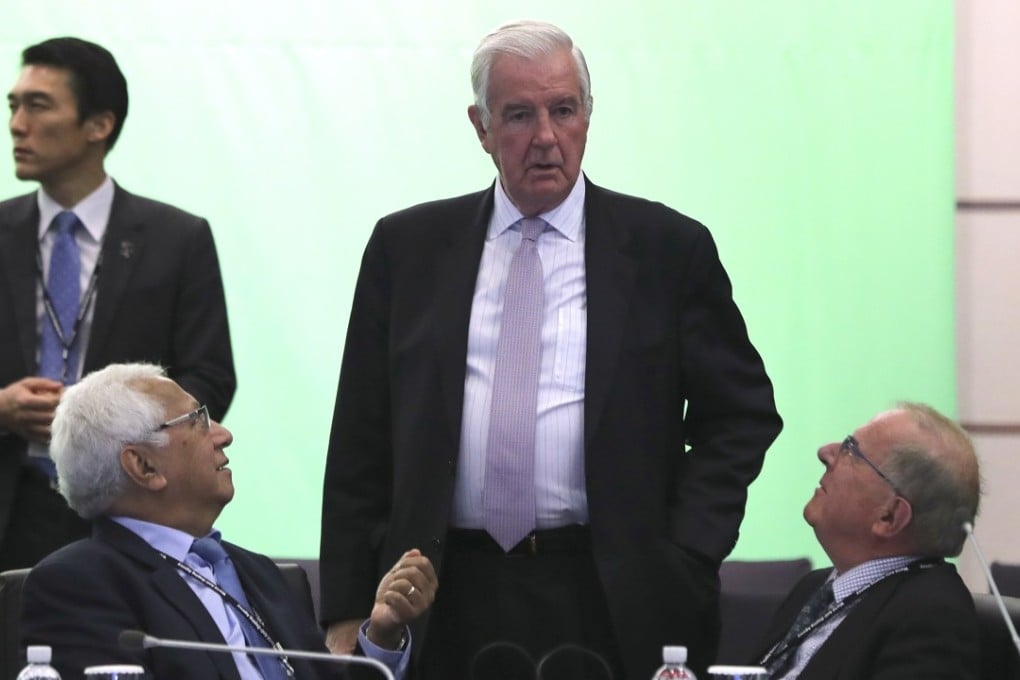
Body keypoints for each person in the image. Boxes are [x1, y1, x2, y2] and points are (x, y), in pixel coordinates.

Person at [319, 19, 782, 679]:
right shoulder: (409, 248)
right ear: (480, 127)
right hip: (444, 589)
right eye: (518, 115)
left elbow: (740, 414)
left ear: (587, 117)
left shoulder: (666, 249)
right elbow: (360, 435)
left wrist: (686, 549)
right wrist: (345, 602)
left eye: (563, 111)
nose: (545, 137)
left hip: (611, 588)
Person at [20, 363, 437, 679]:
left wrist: (380, 635)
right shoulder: (79, 584)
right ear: (144, 465)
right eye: (197, 420)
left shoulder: (263, 574)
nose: (223, 434)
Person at [0, 36, 236, 571]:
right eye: (14, 105)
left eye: (38, 105)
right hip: (11, 503)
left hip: (129, 509)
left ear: (98, 125)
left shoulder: (176, 239)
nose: (16, 124)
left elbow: (210, 377)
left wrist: (116, 433)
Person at [750, 402, 981, 679]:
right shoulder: (814, 588)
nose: (826, 453)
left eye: (851, 451)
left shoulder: (932, 616)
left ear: (889, 516)